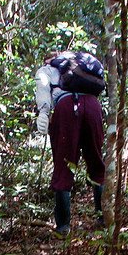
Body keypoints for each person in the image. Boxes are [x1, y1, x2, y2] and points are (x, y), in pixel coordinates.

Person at [35, 51, 105, 237]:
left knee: (63, 165)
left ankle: (63, 226)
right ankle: (103, 217)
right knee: (96, 162)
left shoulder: (46, 70)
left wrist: (43, 113)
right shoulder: (78, 66)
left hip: (66, 108)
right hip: (93, 106)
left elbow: (42, 89)